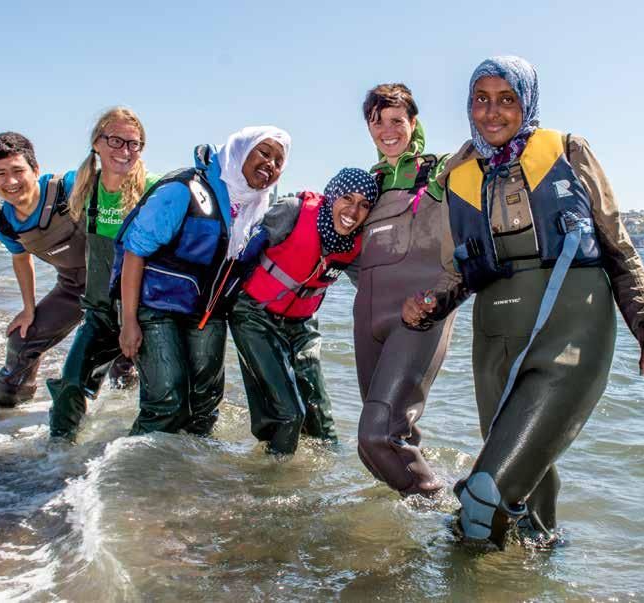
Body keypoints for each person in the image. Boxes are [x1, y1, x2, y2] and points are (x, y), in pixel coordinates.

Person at [402, 56, 644, 549]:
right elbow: (460, 270)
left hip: (572, 326)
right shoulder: (459, 172)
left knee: (484, 495)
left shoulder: (569, 151)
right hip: (495, 339)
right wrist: (429, 303)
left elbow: (617, 245)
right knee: (528, 485)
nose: (492, 112)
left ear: (525, 102)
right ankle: (539, 571)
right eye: (481, 100)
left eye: (506, 99)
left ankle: (462, 580)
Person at [112, 126, 291, 436]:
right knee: (167, 402)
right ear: (239, 150)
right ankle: (126, 475)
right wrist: (129, 321)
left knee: (204, 407)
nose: (270, 165)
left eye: (278, 161)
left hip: (206, 313)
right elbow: (134, 252)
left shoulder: (257, 211)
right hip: (153, 306)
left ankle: (188, 480)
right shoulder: (183, 189)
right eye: (264, 152)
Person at [229, 168, 379, 454]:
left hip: (302, 325)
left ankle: (325, 490)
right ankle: (268, 485)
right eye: (346, 198)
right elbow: (239, 251)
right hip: (254, 316)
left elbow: (373, 291)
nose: (353, 211)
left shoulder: (356, 245)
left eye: (364, 205)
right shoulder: (293, 211)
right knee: (288, 415)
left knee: (323, 428)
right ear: (332, 195)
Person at [353, 83, 454, 497]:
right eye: (377, 123)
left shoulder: (442, 169)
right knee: (377, 445)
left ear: (414, 123)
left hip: (419, 314)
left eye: (397, 121)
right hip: (367, 318)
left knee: (378, 436)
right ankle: (408, 542)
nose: (387, 131)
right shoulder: (367, 182)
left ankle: (435, 507)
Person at [47, 107, 158, 441]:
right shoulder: (82, 186)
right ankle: (56, 464)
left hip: (145, 313)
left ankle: (133, 469)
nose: (124, 150)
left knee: (161, 401)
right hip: (99, 311)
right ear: (97, 142)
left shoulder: (152, 189)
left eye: (133, 144)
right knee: (70, 384)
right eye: (115, 140)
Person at [0, 132, 84, 407]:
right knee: (21, 340)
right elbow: (21, 259)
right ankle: (2, 420)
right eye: (0, 173)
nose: (11, 181)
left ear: (36, 170)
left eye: (18, 170)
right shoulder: (5, 225)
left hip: (118, 285)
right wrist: (29, 309)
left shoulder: (70, 187)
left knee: (122, 357)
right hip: (73, 288)